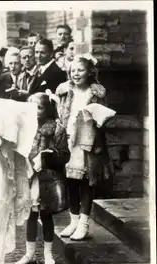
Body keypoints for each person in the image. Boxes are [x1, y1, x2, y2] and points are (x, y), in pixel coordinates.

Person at [55, 55, 115, 241]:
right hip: (69, 140)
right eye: (73, 70)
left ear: (90, 72)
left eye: (80, 70)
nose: (76, 74)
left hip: (88, 143)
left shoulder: (96, 93)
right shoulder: (65, 91)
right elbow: (60, 113)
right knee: (70, 182)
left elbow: (104, 116)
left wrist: (96, 119)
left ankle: (83, 223)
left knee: (86, 183)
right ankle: (73, 220)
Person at [14, 92, 70, 264]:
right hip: (29, 176)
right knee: (30, 215)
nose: (34, 111)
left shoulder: (56, 129)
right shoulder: (24, 128)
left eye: (38, 107)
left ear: (48, 109)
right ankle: (29, 253)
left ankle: (48, 253)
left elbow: (65, 155)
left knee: (46, 215)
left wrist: (48, 157)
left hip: (47, 178)